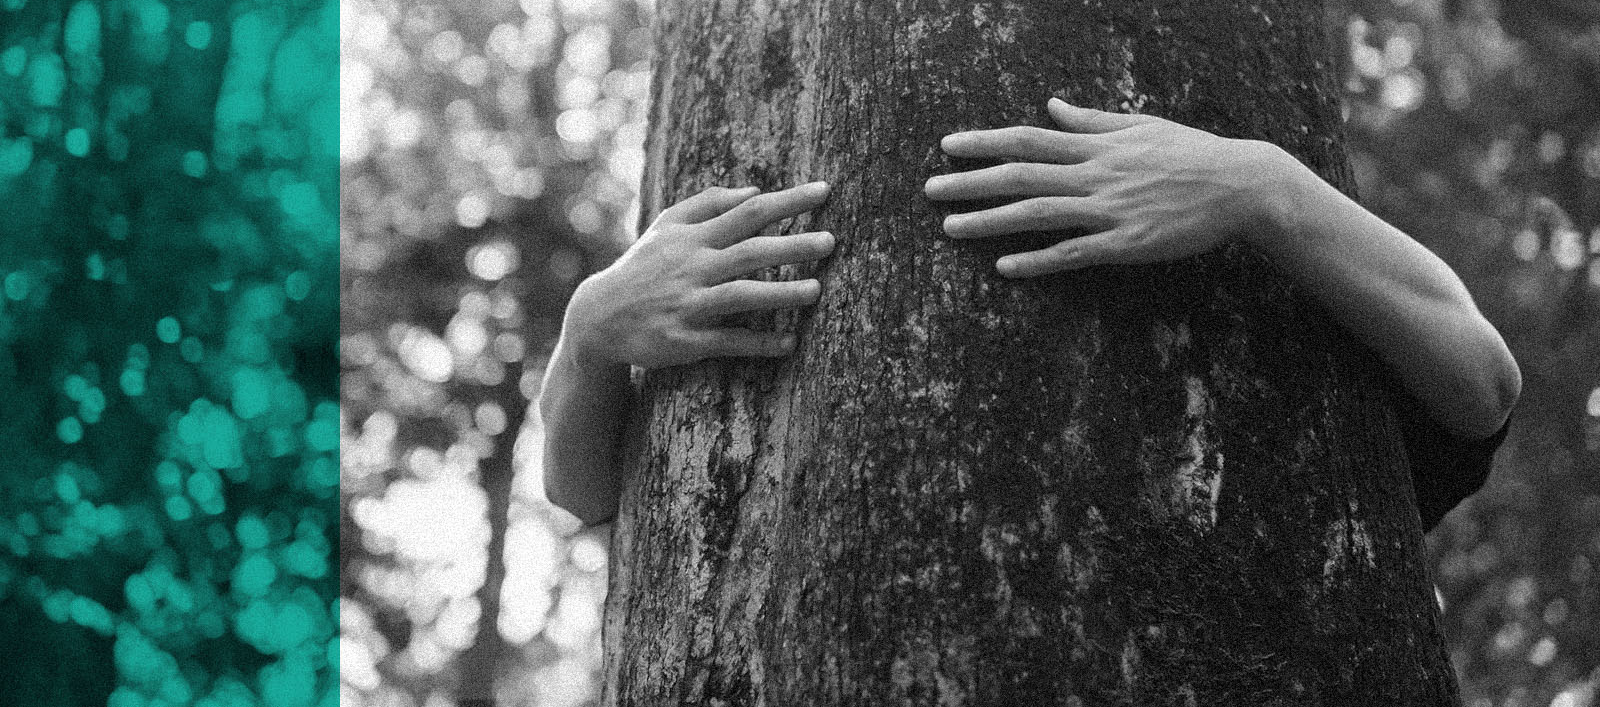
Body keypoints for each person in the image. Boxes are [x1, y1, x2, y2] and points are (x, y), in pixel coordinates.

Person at [537, 96, 1521, 532]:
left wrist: (1255, 185)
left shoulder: (1304, 297)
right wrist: (588, 334)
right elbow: (593, 499)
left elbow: (1475, 386)